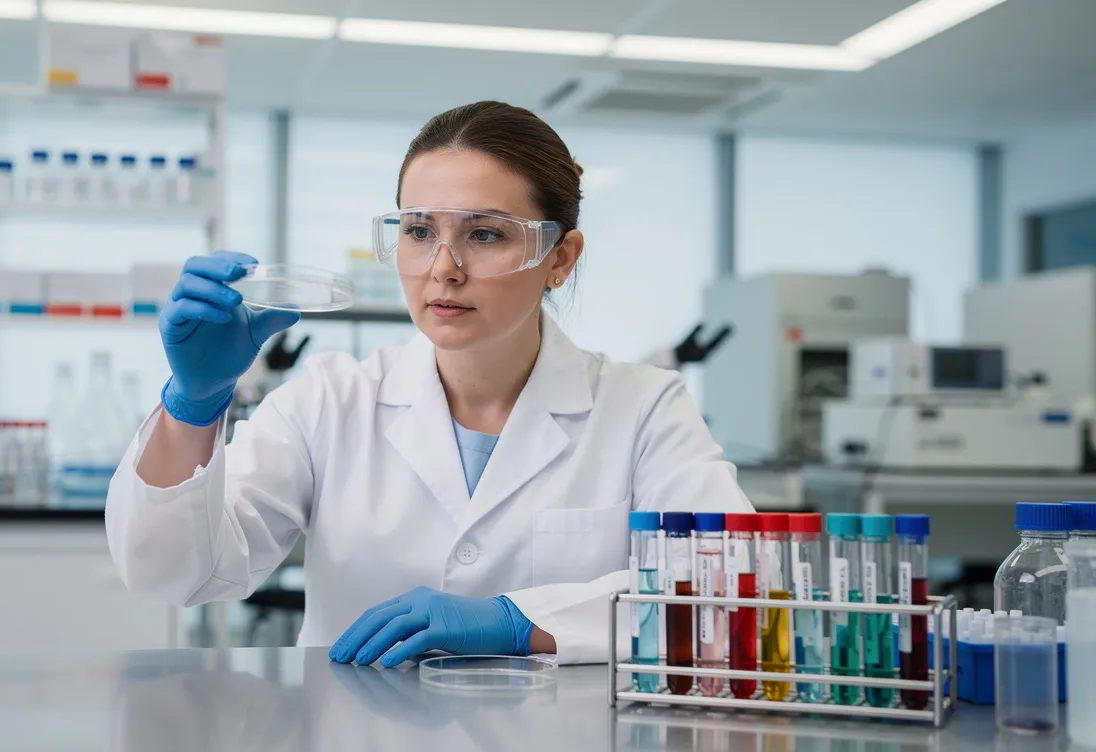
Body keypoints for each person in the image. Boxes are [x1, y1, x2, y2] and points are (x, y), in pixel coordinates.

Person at [106, 101, 754, 668]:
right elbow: (175, 571)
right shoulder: (331, 401)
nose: (444, 269)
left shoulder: (642, 409)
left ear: (560, 258)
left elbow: (729, 591)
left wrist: (521, 621)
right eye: (419, 232)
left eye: (486, 234)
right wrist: (193, 407)